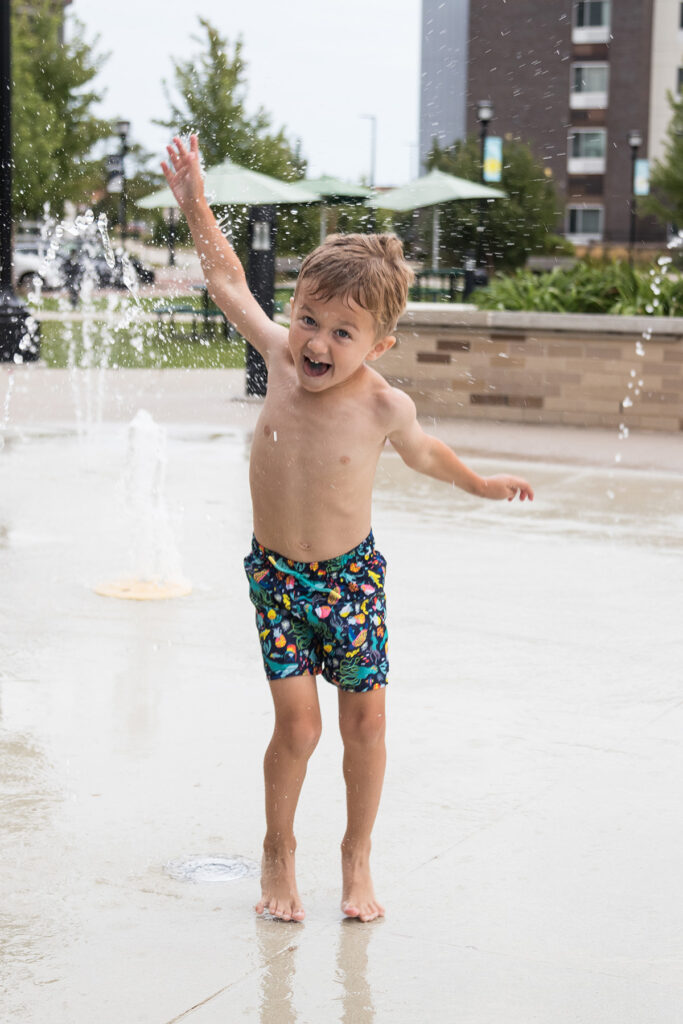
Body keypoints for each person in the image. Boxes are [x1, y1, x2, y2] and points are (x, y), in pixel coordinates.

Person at [162, 135, 534, 924]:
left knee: (364, 720)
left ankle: (355, 856)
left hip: (350, 580)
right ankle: (278, 849)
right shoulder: (274, 351)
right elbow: (228, 277)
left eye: (340, 331)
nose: (314, 343)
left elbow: (425, 452)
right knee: (296, 728)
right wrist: (193, 201)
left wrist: (478, 483)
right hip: (276, 578)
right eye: (307, 319)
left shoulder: (382, 406)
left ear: (378, 346)